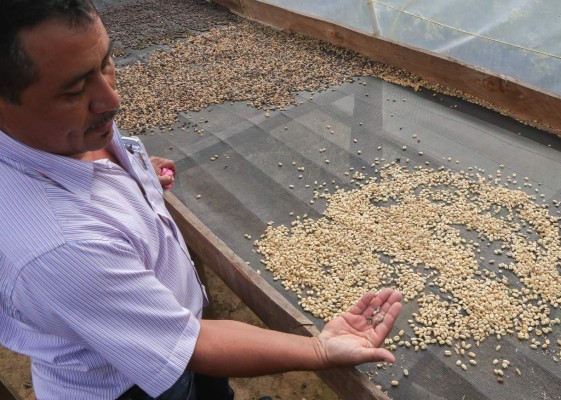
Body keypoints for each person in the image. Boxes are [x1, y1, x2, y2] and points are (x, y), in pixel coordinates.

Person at [0, 1, 403, 399]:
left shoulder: (67, 130)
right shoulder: (62, 248)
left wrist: (135, 177)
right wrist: (319, 348)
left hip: (178, 325)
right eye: (73, 91)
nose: (111, 100)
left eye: (107, 61)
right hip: (128, 385)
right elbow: (193, 345)